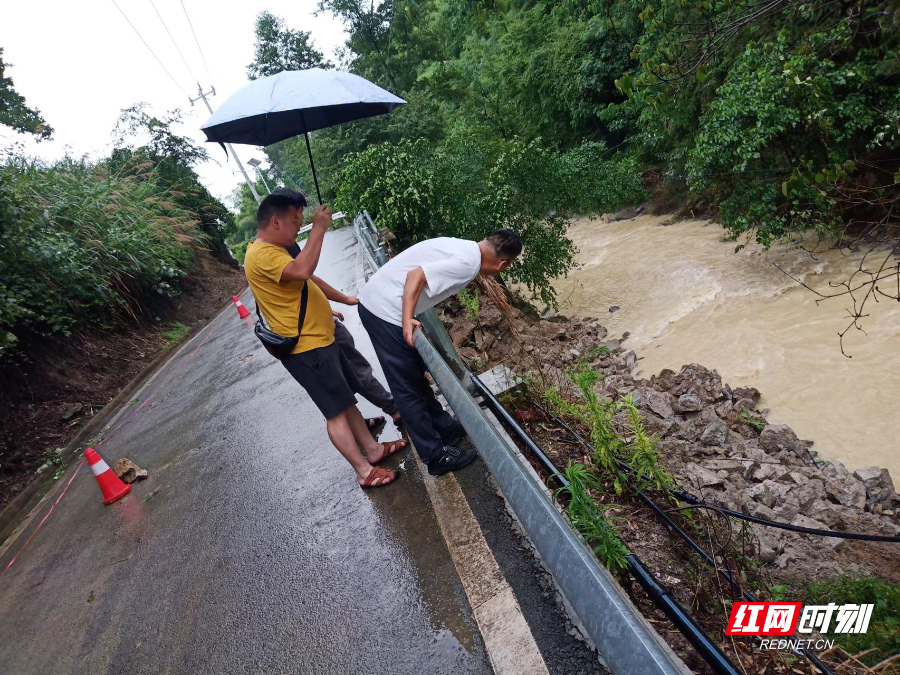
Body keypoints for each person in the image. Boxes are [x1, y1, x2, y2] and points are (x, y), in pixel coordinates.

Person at [244, 189, 407, 489]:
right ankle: (363, 472)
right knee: (335, 413)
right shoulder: (262, 254)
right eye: (296, 221)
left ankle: (373, 450)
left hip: (321, 338)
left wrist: (343, 299)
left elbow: (309, 280)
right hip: (306, 349)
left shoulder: (279, 250)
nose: (299, 228)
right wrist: (319, 227)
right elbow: (305, 268)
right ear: (276, 222)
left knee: (346, 402)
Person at [358, 229, 523, 476]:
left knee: (415, 378)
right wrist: (407, 319)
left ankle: (446, 429)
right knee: (408, 390)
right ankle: (435, 456)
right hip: (385, 312)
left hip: (381, 304)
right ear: (502, 265)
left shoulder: (466, 247)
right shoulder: (469, 264)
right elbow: (417, 275)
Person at [284, 242, 403, 438]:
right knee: (354, 371)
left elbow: (303, 285)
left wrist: (328, 305)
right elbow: (308, 277)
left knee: (338, 383)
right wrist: (344, 299)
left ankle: (358, 425)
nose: (298, 223)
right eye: (296, 217)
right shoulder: (276, 253)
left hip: (311, 329)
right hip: (316, 331)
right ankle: (394, 409)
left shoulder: (271, 253)